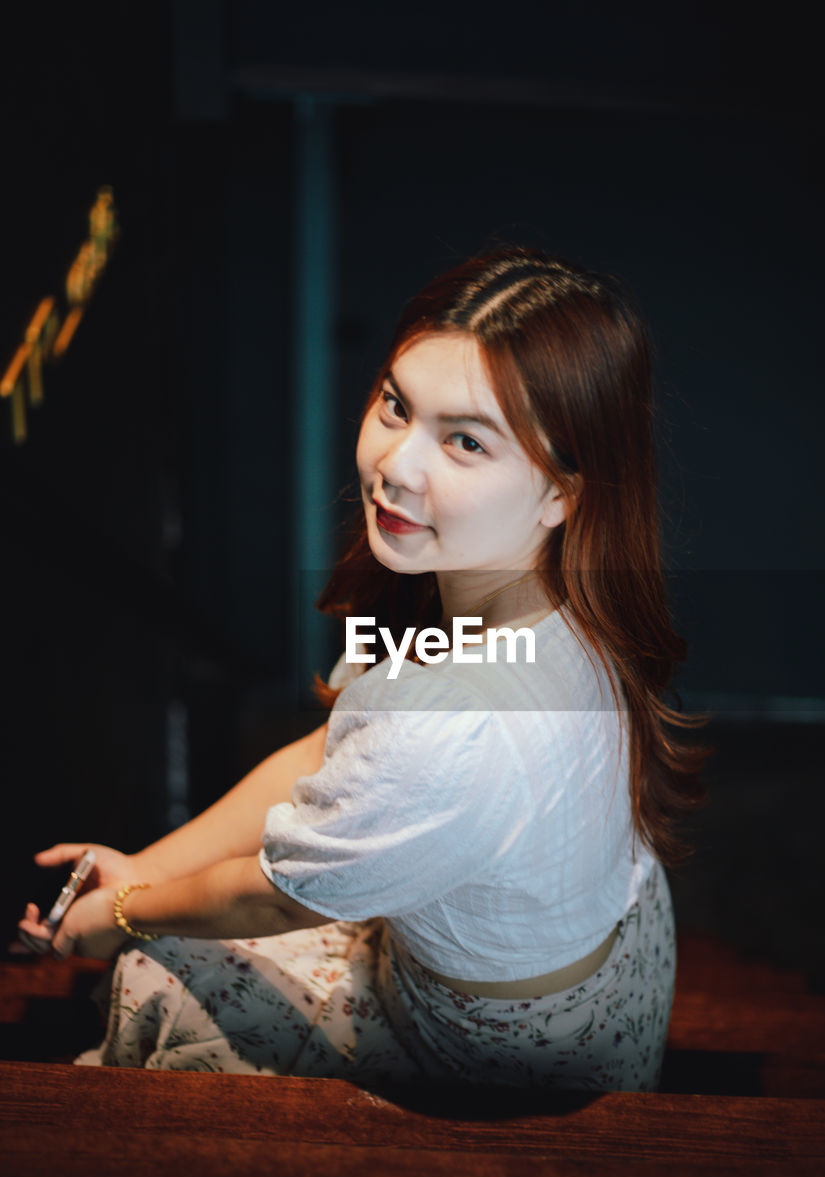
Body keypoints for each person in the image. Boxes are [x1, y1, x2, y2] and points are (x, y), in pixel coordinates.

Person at [17, 247, 705, 1090]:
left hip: (503, 1052)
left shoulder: (444, 724)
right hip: (609, 955)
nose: (395, 466)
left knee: (152, 977)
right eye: (394, 405)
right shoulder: (562, 592)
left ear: (564, 491)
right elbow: (322, 751)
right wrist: (149, 866)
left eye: (463, 442)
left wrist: (122, 917)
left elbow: (281, 897)